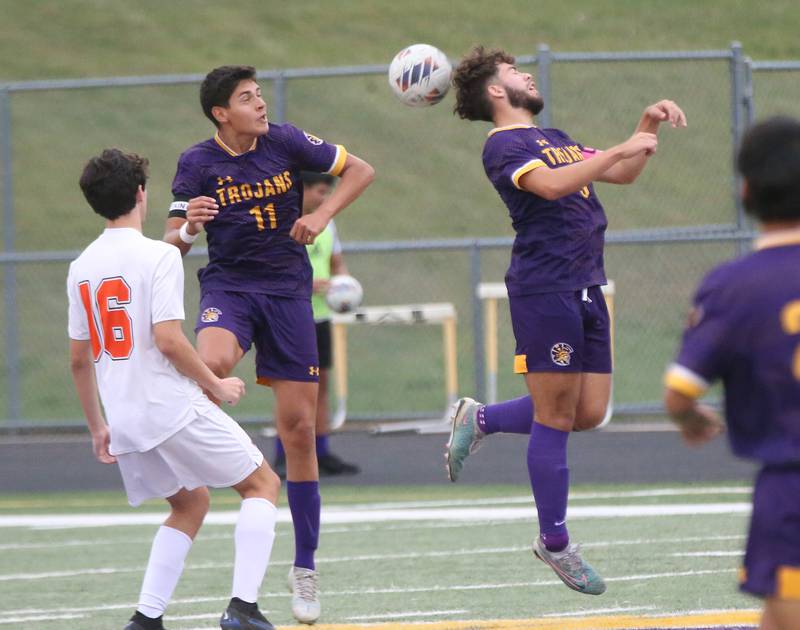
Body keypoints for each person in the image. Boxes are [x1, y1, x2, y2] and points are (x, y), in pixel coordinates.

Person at [446, 46, 686, 595]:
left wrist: (645, 126)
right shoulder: (503, 145)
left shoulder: (552, 138)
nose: (525, 73)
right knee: (556, 417)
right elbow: (552, 186)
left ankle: (480, 420)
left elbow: (621, 173)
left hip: (585, 286)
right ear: (496, 92)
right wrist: (624, 145)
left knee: (588, 412)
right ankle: (555, 544)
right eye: (513, 72)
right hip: (544, 288)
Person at [162, 65, 374, 624]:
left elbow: (361, 170)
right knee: (209, 367)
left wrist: (321, 213)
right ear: (220, 113)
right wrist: (188, 229)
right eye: (246, 99)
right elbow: (170, 244)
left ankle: (304, 567)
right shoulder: (197, 163)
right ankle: (194, 476)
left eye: (259, 96)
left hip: (286, 296)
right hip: (230, 288)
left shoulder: (284, 140)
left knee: (299, 432)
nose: (260, 105)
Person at [68, 149, 281, 630]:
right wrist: (216, 384)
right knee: (262, 483)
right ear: (141, 194)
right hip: (167, 406)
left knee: (189, 503)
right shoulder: (158, 255)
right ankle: (243, 610)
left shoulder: (81, 265)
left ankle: (146, 619)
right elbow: (168, 340)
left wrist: (97, 426)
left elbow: (79, 359)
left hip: (124, 417)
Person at [664, 116, 800, 630]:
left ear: (745, 191)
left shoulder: (735, 286)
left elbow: (680, 391)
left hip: (792, 487)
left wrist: (690, 420)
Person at [273, 171, 360, 478]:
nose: (325, 199)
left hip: (320, 316)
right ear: (303, 190)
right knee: (291, 388)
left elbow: (337, 264)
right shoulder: (284, 222)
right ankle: (284, 454)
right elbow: (273, 269)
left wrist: (343, 286)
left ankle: (321, 452)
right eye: (320, 192)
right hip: (290, 315)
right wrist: (307, 283)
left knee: (321, 385)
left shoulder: (327, 223)